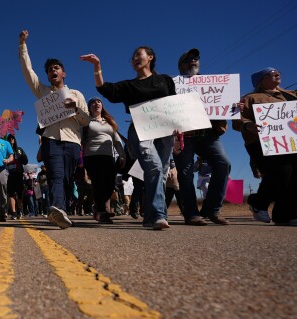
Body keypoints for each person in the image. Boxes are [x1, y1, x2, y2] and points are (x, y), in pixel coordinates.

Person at [81, 47, 178, 230]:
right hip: (141, 130)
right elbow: (104, 88)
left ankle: (149, 215)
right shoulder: (129, 86)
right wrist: (97, 66)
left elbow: (174, 104)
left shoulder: (164, 80)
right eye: (132, 57)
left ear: (150, 57)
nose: (134, 58)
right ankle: (159, 214)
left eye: (138, 55)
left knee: (160, 173)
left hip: (165, 131)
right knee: (154, 167)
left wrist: (179, 134)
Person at [19, 30, 90, 229]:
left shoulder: (76, 94)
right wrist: (22, 46)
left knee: (67, 180)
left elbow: (86, 121)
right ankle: (57, 208)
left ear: (63, 73)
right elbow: (28, 71)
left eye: (56, 68)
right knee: (56, 176)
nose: (53, 71)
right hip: (51, 141)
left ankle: (63, 210)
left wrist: (75, 109)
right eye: (50, 69)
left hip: (73, 142)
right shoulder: (42, 92)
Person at [174, 48, 231, 226]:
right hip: (185, 136)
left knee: (223, 164)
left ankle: (212, 210)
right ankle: (191, 213)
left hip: (208, 135)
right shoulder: (173, 85)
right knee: (185, 174)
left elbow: (222, 104)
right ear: (181, 66)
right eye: (188, 59)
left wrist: (232, 105)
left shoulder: (212, 85)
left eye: (196, 58)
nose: (193, 61)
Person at [240, 67, 297, 225]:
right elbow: (238, 119)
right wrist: (248, 125)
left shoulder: (291, 95)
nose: (277, 74)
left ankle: (286, 215)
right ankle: (258, 202)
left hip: (290, 141)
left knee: (293, 177)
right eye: (271, 73)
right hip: (260, 142)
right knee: (282, 171)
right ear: (261, 80)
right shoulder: (249, 98)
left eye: (278, 71)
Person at [82, 97, 125, 224]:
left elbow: (117, 140)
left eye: (99, 102)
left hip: (108, 156)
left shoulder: (109, 122)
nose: (97, 104)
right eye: (93, 103)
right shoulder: (86, 121)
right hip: (92, 156)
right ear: (89, 108)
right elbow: (81, 139)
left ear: (102, 106)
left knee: (110, 184)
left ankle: (97, 207)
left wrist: (122, 155)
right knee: (98, 183)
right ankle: (102, 212)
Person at [5, 134, 28, 219]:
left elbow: (26, 161)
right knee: (11, 194)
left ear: (14, 140)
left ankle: (18, 210)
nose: (11, 140)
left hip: (18, 174)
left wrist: (21, 157)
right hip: (9, 175)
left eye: (12, 139)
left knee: (19, 194)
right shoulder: (5, 151)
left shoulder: (19, 150)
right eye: (9, 139)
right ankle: (13, 212)